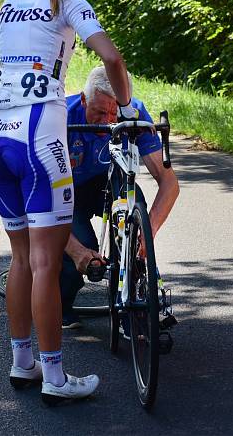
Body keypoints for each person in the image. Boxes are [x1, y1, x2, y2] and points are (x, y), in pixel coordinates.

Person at [0, 0, 138, 405]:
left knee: (21, 257)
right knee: (48, 261)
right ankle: (54, 376)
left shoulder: (10, 2)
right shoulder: (69, 1)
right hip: (37, 140)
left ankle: (22, 363)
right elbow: (111, 60)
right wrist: (128, 107)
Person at [60, 66, 180, 329]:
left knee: (133, 205)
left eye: (114, 113)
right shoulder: (61, 116)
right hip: (68, 192)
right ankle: (61, 303)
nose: (107, 122)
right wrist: (76, 250)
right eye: (100, 112)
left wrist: (148, 230)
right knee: (80, 254)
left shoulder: (134, 113)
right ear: (83, 99)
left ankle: (130, 304)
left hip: (110, 184)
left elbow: (169, 183)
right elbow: (40, 199)